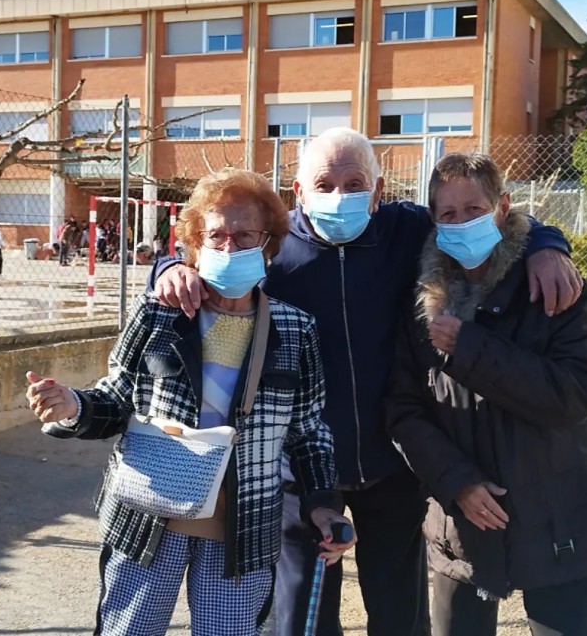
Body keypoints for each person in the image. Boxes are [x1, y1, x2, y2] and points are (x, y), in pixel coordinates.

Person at [153, 128, 582, 636]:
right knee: (303, 620)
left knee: (399, 617)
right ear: (299, 192)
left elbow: (483, 220)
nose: (340, 196)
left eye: (355, 183)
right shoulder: (271, 249)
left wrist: (548, 245)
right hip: (301, 473)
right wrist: (167, 267)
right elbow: (207, 255)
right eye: (324, 184)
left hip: (393, 462)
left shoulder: (407, 231)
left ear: (379, 192)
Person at [27, 168, 355, 635]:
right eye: (216, 235)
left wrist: (322, 504)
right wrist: (72, 407)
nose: (229, 247)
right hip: (148, 516)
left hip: (243, 527)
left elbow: (307, 432)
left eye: (245, 236)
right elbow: (118, 396)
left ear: (268, 244)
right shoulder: (158, 314)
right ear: (196, 243)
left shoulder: (295, 330)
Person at [386, 152, 587, 635]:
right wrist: (456, 483)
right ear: (434, 219)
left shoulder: (554, 285)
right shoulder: (422, 303)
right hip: (463, 527)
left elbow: (574, 395)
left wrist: (470, 347)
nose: (462, 223)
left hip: (560, 519)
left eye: (474, 209)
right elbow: (404, 410)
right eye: (448, 213)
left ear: (503, 206)